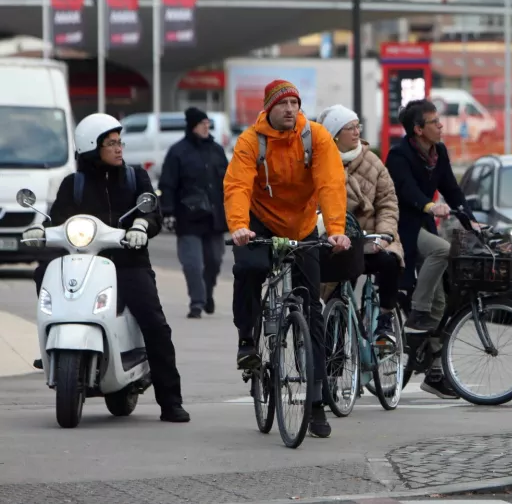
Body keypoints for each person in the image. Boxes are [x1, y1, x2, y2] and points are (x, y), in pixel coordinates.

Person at [22, 113, 189, 423]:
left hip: (127, 262)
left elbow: (151, 209)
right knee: (44, 272)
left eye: (119, 142)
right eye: (110, 143)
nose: (118, 148)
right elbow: (58, 221)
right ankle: (55, 343)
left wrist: (142, 224)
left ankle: (171, 401)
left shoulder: (135, 177)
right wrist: (41, 232)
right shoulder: (74, 184)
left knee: (154, 323)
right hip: (82, 261)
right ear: (91, 147)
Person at [223, 79, 351, 439]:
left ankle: (316, 403)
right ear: (268, 108)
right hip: (258, 222)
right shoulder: (251, 140)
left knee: (311, 315)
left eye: (295, 102)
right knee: (250, 268)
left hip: (303, 225)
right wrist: (238, 226)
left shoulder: (317, 137)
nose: (290, 109)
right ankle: (247, 339)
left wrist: (336, 229)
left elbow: (330, 183)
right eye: (283, 104)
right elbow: (237, 185)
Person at [385, 99, 477, 399]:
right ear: (418, 129)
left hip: (424, 222)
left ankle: (435, 372)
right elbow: (405, 189)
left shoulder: (440, 154)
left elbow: (452, 188)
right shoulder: (399, 155)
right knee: (440, 250)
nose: (441, 125)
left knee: (442, 303)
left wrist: (470, 221)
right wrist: (428, 205)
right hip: (403, 225)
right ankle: (417, 315)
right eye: (434, 122)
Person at [316, 105, 404, 347]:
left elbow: (388, 202)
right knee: (337, 289)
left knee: (389, 262)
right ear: (334, 134)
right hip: (339, 241)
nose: (356, 132)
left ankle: (384, 321)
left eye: (358, 127)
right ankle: (335, 350)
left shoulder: (372, 161)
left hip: (373, 238)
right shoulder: (319, 161)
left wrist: (385, 235)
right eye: (350, 128)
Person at [158, 107, 229, 320]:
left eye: (208, 123)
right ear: (192, 126)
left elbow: (228, 182)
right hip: (187, 219)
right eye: (202, 123)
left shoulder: (216, 150)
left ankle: (207, 293)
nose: (206, 127)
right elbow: (167, 184)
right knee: (192, 264)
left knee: (215, 261)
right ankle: (197, 302)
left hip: (214, 218)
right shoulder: (177, 152)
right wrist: (168, 211)